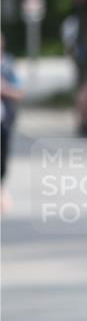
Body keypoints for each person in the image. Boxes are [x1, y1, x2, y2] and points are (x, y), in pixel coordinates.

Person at [1, 32, 24, 212]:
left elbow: (19, 91)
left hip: (4, 120)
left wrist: (5, 89)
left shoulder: (8, 66)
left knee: (3, 158)